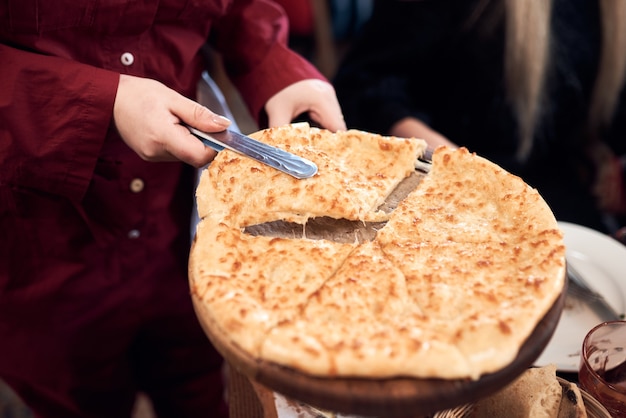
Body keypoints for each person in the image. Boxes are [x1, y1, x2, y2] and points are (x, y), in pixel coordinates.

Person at [0, 1, 345, 417]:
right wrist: (98, 100)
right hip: (38, 247)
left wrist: (270, 63)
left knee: (198, 380)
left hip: (177, 227)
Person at [333, 0, 626, 236]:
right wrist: (453, 161)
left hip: (563, 190)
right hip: (445, 191)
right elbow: (363, 84)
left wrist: (603, 154)